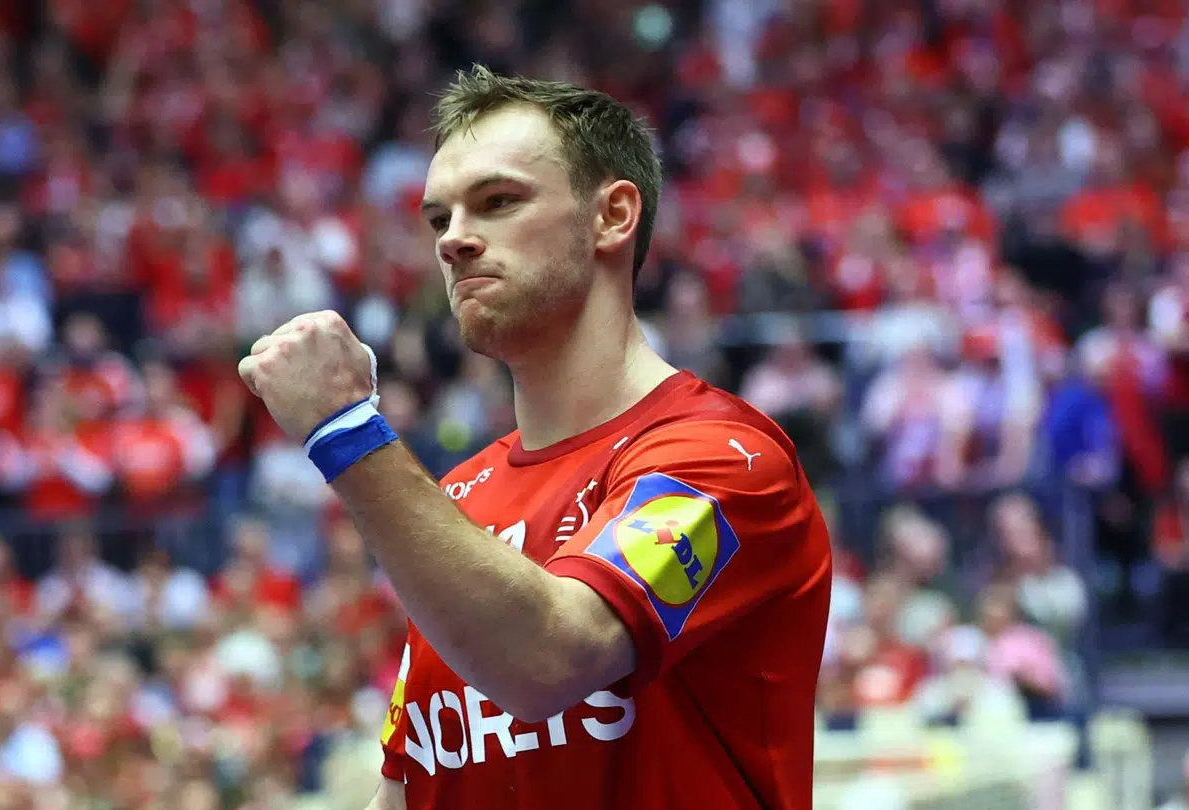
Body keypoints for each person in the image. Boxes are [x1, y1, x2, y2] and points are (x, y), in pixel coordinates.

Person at [238, 65, 832, 810]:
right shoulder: (455, 501)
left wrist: (343, 429)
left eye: (497, 202)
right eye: (438, 219)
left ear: (612, 216)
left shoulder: (725, 461)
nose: (454, 241)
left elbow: (550, 659)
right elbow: (410, 789)